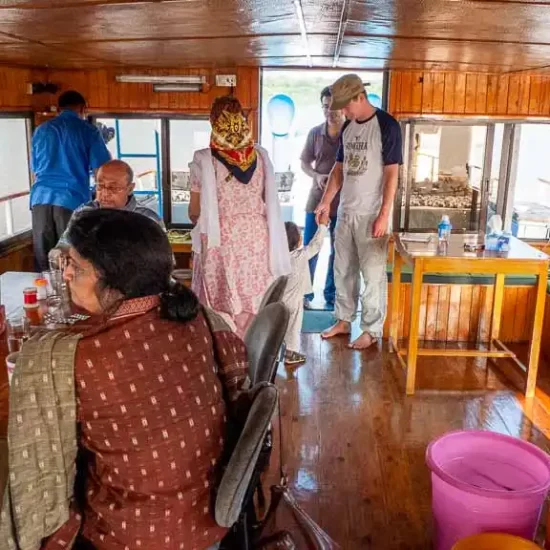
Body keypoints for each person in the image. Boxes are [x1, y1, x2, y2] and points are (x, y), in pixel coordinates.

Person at [1, 209, 249, 550]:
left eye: (75, 265)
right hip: (210, 516)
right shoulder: (194, 319)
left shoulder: (80, 359)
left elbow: (41, 472)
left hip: (135, 535)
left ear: (114, 279)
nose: (67, 273)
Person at [189, 95, 291, 338]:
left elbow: (194, 212)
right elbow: (268, 200)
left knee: (223, 302)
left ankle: (227, 355)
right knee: (253, 299)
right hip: (257, 237)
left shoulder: (204, 159)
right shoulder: (262, 156)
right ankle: (254, 353)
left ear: (213, 122)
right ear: (243, 120)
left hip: (220, 240)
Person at [315, 74, 402, 350]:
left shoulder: (387, 125)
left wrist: (384, 214)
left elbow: (392, 174)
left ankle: (371, 329)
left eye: (345, 105)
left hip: (371, 215)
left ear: (359, 97)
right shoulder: (348, 128)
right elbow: (339, 170)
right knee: (343, 270)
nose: (342, 112)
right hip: (346, 213)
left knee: (373, 274)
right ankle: (343, 320)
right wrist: (326, 201)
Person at [30, 90, 111, 271]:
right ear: (83, 109)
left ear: (58, 109)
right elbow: (102, 169)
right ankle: (72, 298)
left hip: (40, 199)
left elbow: (35, 168)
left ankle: (45, 296)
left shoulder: (41, 130)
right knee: (72, 256)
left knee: (45, 260)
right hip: (71, 198)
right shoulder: (88, 130)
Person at [48, 159, 164, 265]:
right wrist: (58, 255)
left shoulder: (147, 219)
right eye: (100, 186)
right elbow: (62, 247)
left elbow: (163, 263)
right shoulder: (84, 213)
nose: (105, 193)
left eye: (113, 188)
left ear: (130, 189)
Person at [300, 86, 345, 309]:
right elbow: (304, 163)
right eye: (326, 107)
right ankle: (305, 294)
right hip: (316, 199)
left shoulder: (352, 132)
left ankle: (331, 294)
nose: (330, 111)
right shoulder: (315, 133)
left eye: (334, 106)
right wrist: (316, 176)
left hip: (344, 202)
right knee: (310, 246)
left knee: (339, 251)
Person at [282, 215, 329, 366]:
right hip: (294, 302)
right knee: (293, 327)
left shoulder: (276, 258)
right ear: (299, 241)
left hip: (276, 300)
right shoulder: (300, 256)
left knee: (277, 326)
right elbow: (316, 245)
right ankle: (291, 354)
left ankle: (272, 351)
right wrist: (322, 226)